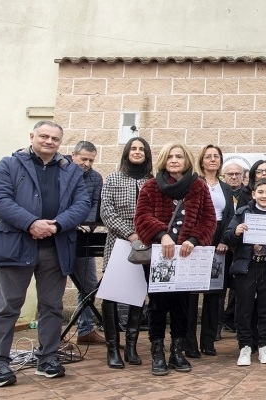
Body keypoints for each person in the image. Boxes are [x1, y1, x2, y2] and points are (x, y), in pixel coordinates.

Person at [0, 121, 90, 387]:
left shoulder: (72, 172)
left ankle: (48, 359)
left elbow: (82, 204)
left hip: (55, 248)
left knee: (52, 307)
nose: (49, 141)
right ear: (32, 136)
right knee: (7, 307)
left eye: (55, 138)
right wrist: (31, 222)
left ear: (60, 142)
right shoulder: (8, 165)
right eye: (44, 136)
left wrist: (56, 225)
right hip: (16, 246)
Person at [134, 143, 216, 375]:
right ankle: (157, 353)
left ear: (187, 160)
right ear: (163, 160)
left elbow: (209, 219)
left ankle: (177, 352)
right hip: (159, 257)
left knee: (182, 306)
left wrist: (194, 239)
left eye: (179, 156)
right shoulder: (150, 186)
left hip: (186, 256)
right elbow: (141, 217)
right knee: (158, 306)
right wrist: (162, 235)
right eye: (169, 156)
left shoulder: (198, 187)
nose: (174, 160)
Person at [224, 178, 266, 366]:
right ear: (253, 194)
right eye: (260, 192)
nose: (264, 196)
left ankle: (264, 346)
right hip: (247, 267)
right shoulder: (243, 213)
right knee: (244, 309)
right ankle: (245, 347)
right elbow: (228, 237)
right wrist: (236, 232)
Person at [99, 137, 153, 369]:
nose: (138, 152)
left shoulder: (153, 181)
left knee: (137, 294)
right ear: (126, 153)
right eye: (133, 148)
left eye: (142, 149)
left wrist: (145, 236)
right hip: (119, 244)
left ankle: (131, 346)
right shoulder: (112, 179)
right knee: (111, 296)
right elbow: (106, 213)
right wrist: (132, 235)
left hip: (147, 245)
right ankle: (113, 348)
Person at [185, 145, 234, 358]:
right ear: (201, 161)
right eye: (208, 156)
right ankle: (188, 343)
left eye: (216, 156)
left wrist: (224, 240)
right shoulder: (193, 183)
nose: (213, 159)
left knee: (215, 293)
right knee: (190, 293)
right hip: (195, 240)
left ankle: (208, 340)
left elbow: (230, 216)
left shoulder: (226, 187)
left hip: (218, 241)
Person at [67, 141, 105, 346]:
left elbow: (94, 206)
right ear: (73, 155)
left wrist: (88, 227)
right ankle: (52, 336)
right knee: (52, 287)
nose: (88, 164)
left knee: (88, 285)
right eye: (84, 159)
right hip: (60, 235)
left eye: (91, 160)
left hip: (83, 234)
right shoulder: (60, 170)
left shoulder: (96, 178)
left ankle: (85, 329)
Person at [220, 162, 245, 333]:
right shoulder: (219, 192)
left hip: (241, 246)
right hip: (220, 245)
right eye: (230, 174)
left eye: (237, 174)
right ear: (224, 176)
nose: (234, 177)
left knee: (238, 285)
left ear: (243, 176)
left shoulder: (248, 194)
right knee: (219, 286)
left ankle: (233, 320)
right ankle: (217, 325)